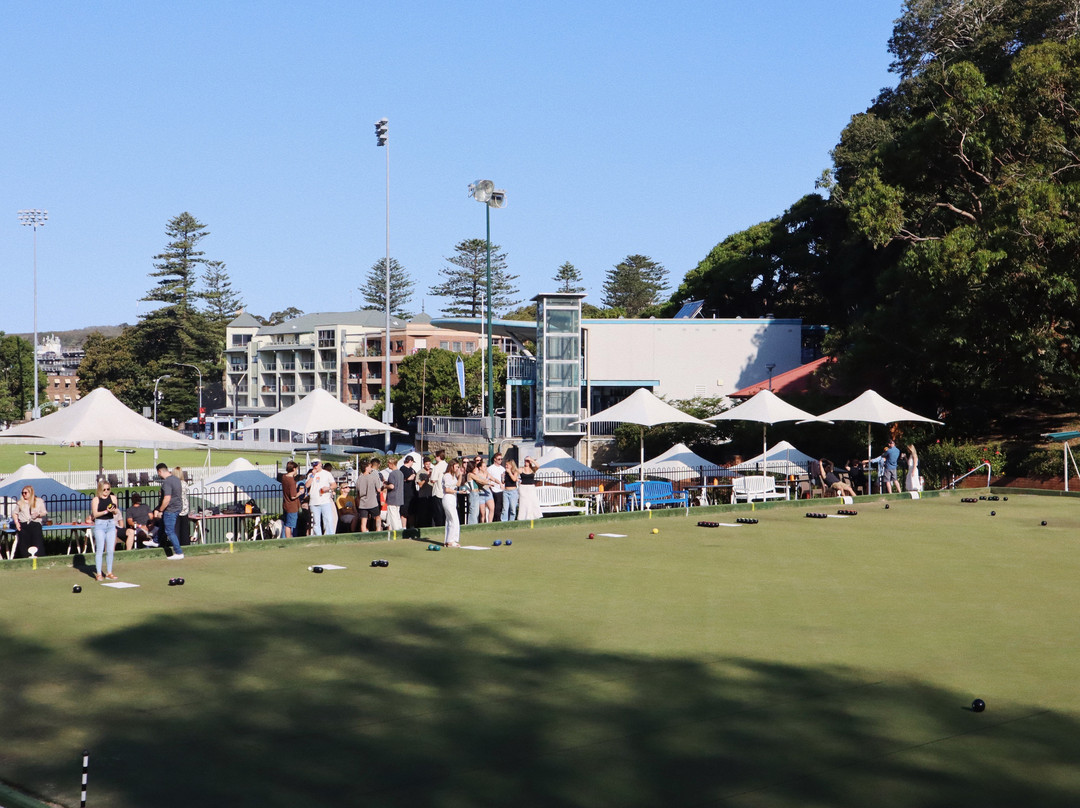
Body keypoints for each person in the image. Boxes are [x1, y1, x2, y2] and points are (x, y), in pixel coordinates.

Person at [90, 479, 120, 581]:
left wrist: (113, 510)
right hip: (100, 525)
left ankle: (109, 572)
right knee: (100, 549)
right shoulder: (96, 500)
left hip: (111, 524)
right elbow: (95, 514)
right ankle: (99, 573)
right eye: (104, 489)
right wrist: (106, 511)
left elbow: (116, 512)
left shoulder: (113, 498)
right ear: (100, 490)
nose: (106, 491)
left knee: (110, 550)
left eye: (108, 489)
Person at [156, 463, 185, 559]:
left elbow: (167, 498)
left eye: (158, 473)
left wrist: (160, 510)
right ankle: (156, 541)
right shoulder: (176, 479)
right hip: (177, 507)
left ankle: (178, 552)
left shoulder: (167, 482)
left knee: (170, 531)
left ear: (160, 471)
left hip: (171, 509)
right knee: (163, 524)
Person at [13, 485, 47, 559]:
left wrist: (38, 514)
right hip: (24, 526)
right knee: (24, 546)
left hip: (35, 525)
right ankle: (24, 559)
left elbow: (44, 512)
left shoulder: (39, 501)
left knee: (37, 544)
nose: (23, 494)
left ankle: (39, 560)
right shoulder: (20, 503)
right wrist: (17, 523)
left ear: (30, 493)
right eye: (22, 493)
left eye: (25, 493)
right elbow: (15, 513)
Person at [307, 459, 337, 536]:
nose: (315, 466)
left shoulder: (327, 474)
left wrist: (328, 488)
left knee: (328, 520)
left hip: (325, 501)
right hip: (314, 502)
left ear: (320, 464)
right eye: (313, 465)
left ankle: (329, 537)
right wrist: (312, 475)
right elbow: (307, 485)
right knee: (316, 522)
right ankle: (318, 537)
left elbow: (334, 485)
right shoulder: (310, 475)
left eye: (316, 465)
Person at [354, 459, 381, 532]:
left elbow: (358, 492)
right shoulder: (373, 477)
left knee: (363, 521)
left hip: (363, 503)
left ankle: (364, 533)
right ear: (366, 468)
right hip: (372, 502)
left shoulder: (359, 479)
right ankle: (378, 531)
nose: (371, 468)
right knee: (377, 517)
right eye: (369, 467)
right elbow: (379, 489)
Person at [442, 458, 463, 547]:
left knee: (450, 520)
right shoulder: (446, 476)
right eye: (457, 467)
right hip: (448, 499)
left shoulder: (453, 476)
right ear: (452, 466)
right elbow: (446, 489)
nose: (458, 468)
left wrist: (460, 475)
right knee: (454, 519)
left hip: (453, 499)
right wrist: (458, 492)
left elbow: (458, 484)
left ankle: (448, 541)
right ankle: (451, 541)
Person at [384, 457, 405, 532]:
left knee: (393, 517)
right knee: (397, 516)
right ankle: (400, 530)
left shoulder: (392, 474)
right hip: (399, 497)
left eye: (389, 463)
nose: (388, 465)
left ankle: (396, 532)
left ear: (392, 464)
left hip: (392, 498)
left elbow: (392, 486)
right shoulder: (401, 473)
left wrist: (385, 486)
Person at [281, 461, 301, 538]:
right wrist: (299, 492)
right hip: (292, 507)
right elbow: (293, 496)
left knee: (286, 524)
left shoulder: (284, 477)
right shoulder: (291, 481)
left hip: (286, 504)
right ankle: (288, 540)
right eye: (296, 469)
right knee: (289, 526)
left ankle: (284, 539)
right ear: (293, 469)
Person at [173, 467, 192, 546]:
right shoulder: (184, 483)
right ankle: (185, 544)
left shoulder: (174, 484)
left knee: (176, 529)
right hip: (184, 507)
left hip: (177, 507)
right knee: (185, 529)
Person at [414, 459, 434, 528]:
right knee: (423, 513)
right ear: (424, 464)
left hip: (432, 495)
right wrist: (426, 478)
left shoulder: (433, 471)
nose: (428, 466)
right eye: (426, 464)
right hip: (423, 495)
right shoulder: (420, 472)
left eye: (429, 464)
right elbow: (420, 485)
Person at [429, 450, 447, 527]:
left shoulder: (437, 467)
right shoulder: (447, 465)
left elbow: (433, 480)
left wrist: (430, 474)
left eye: (435, 456)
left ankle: (439, 527)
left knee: (438, 513)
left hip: (438, 492)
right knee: (445, 512)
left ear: (438, 457)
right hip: (445, 492)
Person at [399, 455, 417, 526]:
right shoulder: (403, 469)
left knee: (411, 511)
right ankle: (404, 526)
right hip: (406, 493)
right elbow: (408, 478)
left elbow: (415, 475)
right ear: (410, 461)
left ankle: (411, 526)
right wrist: (412, 476)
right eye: (412, 462)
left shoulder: (411, 469)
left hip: (412, 493)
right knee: (404, 511)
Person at [489, 452, 506, 521]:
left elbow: (503, 480)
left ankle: (499, 519)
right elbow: (488, 478)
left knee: (501, 506)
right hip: (494, 489)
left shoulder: (502, 468)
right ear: (495, 459)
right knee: (496, 506)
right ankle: (496, 520)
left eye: (501, 459)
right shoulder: (490, 468)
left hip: (502, 489)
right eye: (499, 459)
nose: (500, 460)